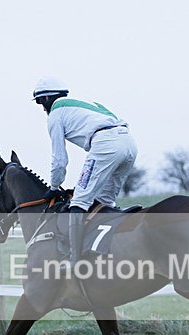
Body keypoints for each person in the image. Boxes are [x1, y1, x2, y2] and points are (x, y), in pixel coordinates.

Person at [33, 77, 137, 268]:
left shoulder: (55, 115)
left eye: (40, 102)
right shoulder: (88, 104)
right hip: (129, 143)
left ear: (47, 98)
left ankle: (74, 260)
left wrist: (54, 186)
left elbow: (59, 160)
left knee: (79, 202)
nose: (42, 108)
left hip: (105, 144)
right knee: (104, 203)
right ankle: (105, 251)